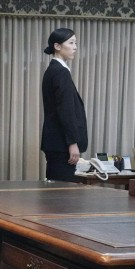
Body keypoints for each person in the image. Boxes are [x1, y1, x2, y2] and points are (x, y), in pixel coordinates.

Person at [40, 27, 88, 181]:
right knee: (63, 195)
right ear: (57, 46)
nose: (75, 47)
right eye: (71, 43)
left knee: (56, 193)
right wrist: (72, 142)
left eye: (76, 43)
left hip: (55, 142)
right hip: (61, 144)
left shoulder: (53, 70)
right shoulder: (61, 72)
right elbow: (65, 110)